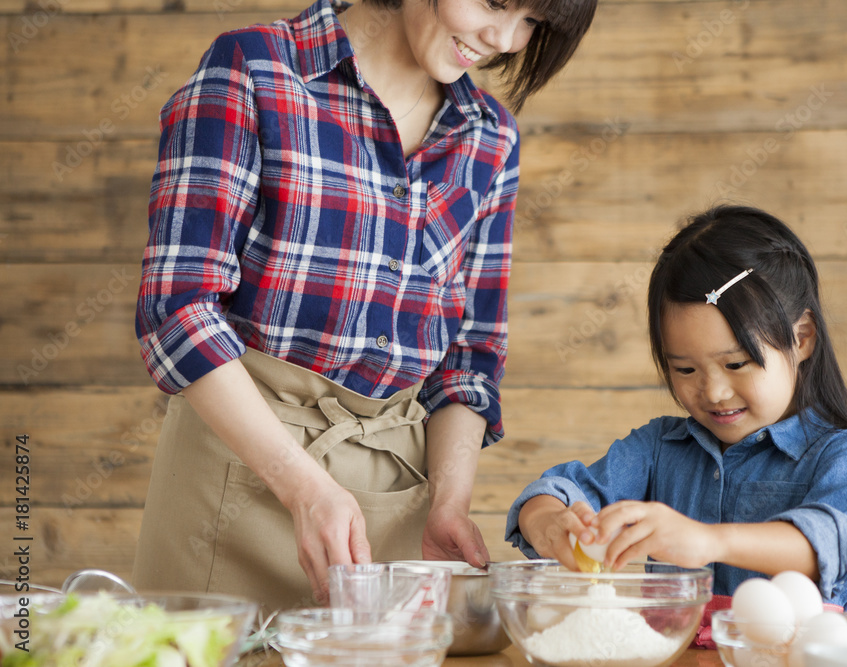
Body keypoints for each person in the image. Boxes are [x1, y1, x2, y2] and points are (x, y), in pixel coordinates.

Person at [132, 0, 597, 612]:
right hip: (234, 476)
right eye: (495, 2)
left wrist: (447, 503)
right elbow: (179, 308)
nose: (505, 39)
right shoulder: (257, 68)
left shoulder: (490, 139)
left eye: (533, 23)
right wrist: (303, 488)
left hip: (393, 498)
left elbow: (468, 357)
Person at [506, 205, 847, 611]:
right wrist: (550, 523)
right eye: (685, 369)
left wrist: (708, 540)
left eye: (735, 364)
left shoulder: (843, 455)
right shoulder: (659, 448)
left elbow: (835, 545)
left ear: (801, 338)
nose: (713, 392)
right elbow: (554, 493)